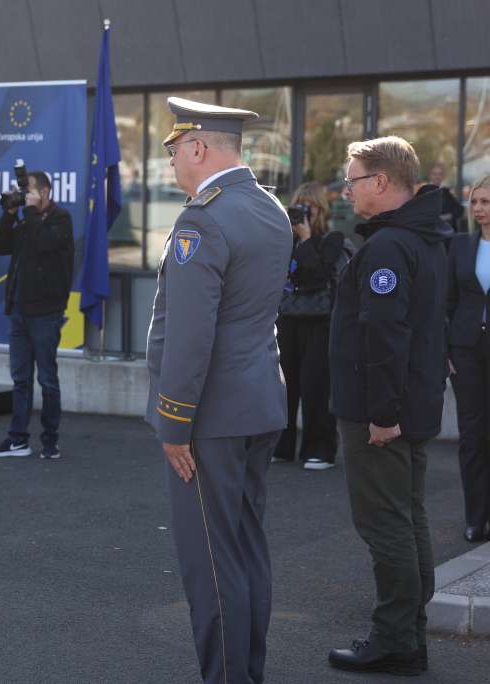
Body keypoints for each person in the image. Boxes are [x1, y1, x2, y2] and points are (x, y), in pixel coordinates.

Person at [144, 97, 291, 684]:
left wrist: (173, 422)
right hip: (258, 404)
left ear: (199, 147)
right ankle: (247, 671)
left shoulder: (202, 220)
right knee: (246, 551)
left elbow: (189, 336)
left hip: (209, 417)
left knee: (210, 564)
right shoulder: (268, 207)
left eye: (175, 149)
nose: (171, 161)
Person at [327, 136, 451, 675]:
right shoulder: (424, 238)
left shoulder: (389, 246)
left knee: (385, 522)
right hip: (411, 405)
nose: (346, 190)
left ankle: (396, 638)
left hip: (382, 413)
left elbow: (385, 335)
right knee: (407, 516)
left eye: (352, 180)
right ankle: (408, 634)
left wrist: (382, 415)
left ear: (380, 181)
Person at [0, 171, 73, 461]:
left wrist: (31, 212)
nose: (25, 196)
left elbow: (43, 243)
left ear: (45, 192)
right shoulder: (27, 220)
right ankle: (17, 440)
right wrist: (10, 213)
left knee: (47, 379)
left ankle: (50, 441)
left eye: (29, 190)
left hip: (45, 313)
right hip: (19, 312)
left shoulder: (61, 219)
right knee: (20, 379)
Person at [274, 182, 345, 469]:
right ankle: (281, 445)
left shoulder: (332, 239)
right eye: (298, 206)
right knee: (283, 387)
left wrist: (305, 240)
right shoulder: (283, 240)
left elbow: (317, 275)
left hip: (319, 322)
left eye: (309, 206)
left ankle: (319, 449)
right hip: (286, 319)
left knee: (316, 387)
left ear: (321, 209)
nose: (303, 212)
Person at [446, 175, 490, 543]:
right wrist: (444, 351)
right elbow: (446, 302)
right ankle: (475, 517)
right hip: (466, 351)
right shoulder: (460, 245)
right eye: (474, 202)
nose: (478, 209)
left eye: (485, 202)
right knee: (472, 435)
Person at [416, 162, 465, 232]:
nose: (437, 176)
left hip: (447, 232)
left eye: (440, 174)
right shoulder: (423, 192)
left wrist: (447, 216)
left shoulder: (446, 192)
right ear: (429, 175)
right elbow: (419, 214)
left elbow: (460, 210)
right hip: (430, 232)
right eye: (434, 174)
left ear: (443, 176)